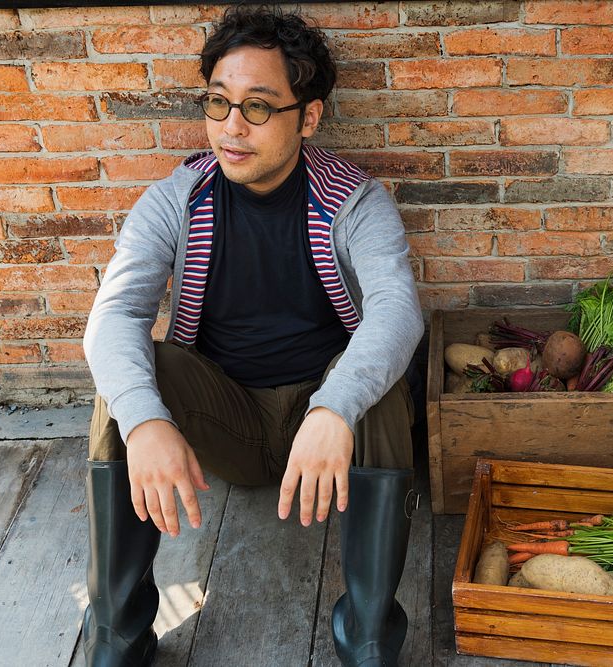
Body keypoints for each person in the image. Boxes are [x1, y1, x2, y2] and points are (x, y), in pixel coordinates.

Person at [80, 6, 424, 667]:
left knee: (376, 382)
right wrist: (144, 420)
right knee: (123, 381)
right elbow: (113, 314)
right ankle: (116, 631)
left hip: (325, 431)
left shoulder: (353, 201)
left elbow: (396, 310)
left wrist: (334, 406)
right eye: (219, 101)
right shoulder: (175, 199)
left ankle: (369, 630)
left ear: (309, 116)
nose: (231, 127)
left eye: (259, 106)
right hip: (227, 417)